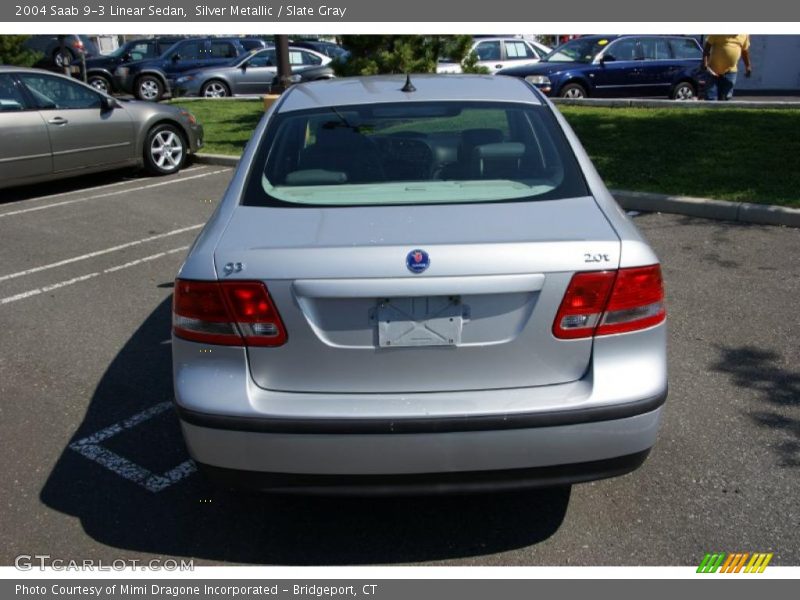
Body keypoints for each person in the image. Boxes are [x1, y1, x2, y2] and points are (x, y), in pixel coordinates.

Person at [702, 34, 752, 101]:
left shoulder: (744, 35)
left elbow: (744, 51)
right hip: (713, 70)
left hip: (731, 71)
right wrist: (705, 63)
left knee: (726, 98)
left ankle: (722, 111)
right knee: (710, 97)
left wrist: (748, 66)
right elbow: (707, 47)